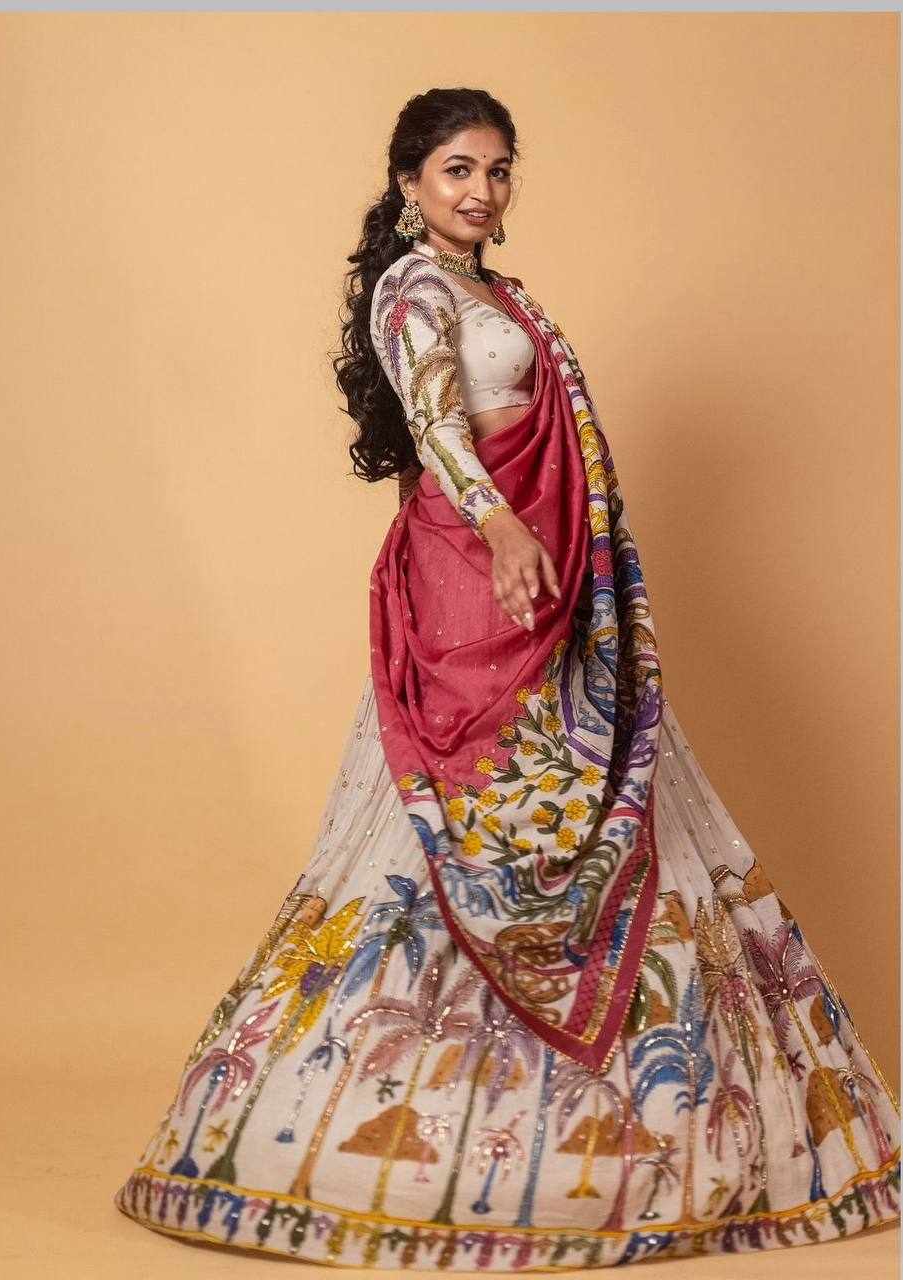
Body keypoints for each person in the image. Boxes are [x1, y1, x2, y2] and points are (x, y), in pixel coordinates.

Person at [113, 88, 900, 1271]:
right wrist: (500, 527)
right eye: (456, 169)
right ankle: (389, 1133)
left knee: (602, 798)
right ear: (409, 183)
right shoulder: (412, 290)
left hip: (543, 574)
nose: (480, 190)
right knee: (467, 812)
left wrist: (539, 543)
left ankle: (655, 1135)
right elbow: (438, 424)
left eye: (496, 169)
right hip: (474, 574)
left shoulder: (501, 294)